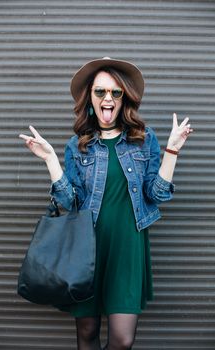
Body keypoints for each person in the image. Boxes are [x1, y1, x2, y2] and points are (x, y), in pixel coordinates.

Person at [19, 57, 193, 350]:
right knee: (87, 333)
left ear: (124, 98)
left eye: (115, 92)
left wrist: (172, 150)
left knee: (122, 341)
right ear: (90, 98)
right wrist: (51, 160)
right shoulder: (78, 145)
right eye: (100, 92)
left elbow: (158, 194)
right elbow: (70, 203)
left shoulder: (143, 139)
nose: (107, 98)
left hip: (127, 247)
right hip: (87, 248)